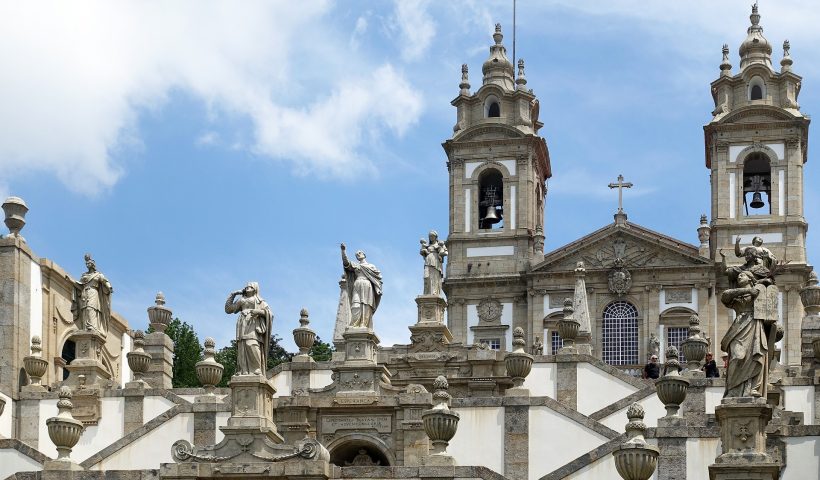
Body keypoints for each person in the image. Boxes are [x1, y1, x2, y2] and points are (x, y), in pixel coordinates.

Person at [720, 270, 768, 397]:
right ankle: (732, 389)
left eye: (742, 275)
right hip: (739, 326)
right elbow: (725, 296)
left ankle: (752, 388)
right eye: (739, 276)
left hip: (754, 324)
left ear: (750, 278)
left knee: (755, 357)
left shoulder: (759, 292)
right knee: (737, 356)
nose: (739, 277)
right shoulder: (737, 294)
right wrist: (747, 291)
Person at [225, 282, 272, 376]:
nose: (247, 287)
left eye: (250, 286)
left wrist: (258, 311)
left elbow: (270, 313)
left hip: (254, 323)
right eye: (246, 286)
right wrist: (233, 294)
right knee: (242, 345)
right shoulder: (241, 300)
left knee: (251, 343)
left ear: (255, 288)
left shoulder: (260, 300)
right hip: (243, 323)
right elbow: (228, 309)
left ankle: (257, 368)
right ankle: (243, 370)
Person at [341, 243, 383, 329]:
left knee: (366, 305)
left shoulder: (371, 266)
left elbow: (378, 278)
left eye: (360, 253)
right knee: (355, 305)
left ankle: (364, 324)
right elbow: (346, 263)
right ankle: (354, 324)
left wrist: (377, 288)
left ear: (364, 255)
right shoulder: (356, 265)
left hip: (367, 286)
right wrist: (343, 251)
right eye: (356, 254)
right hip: (357, 285)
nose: (358, 254)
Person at [72, 253, 113, 337]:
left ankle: (92, 327)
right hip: (84, 293)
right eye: (86, 263)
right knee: (84, 309)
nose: (87, 265)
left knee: (90, 308)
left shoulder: (98, 275)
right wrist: (70, 280)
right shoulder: (84, 275)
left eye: (89, 263)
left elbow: (105, 281)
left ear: (93, 264)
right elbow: (80, 285)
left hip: (93, 292)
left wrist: (109, 287)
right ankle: (85, 328)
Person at [420, 231, 448, 296]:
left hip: (436, 262)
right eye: (430, 236)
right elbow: (422, 252)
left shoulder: (439, 245)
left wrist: (440, 253)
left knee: (434, 277)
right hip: (427, 262)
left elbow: (446, 252)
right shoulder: (427, 245)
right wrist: (424, 251)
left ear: (436, 237)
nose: (431, 237)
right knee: (426, 277)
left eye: (432, 236)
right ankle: (426, 292)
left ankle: (434, 292)